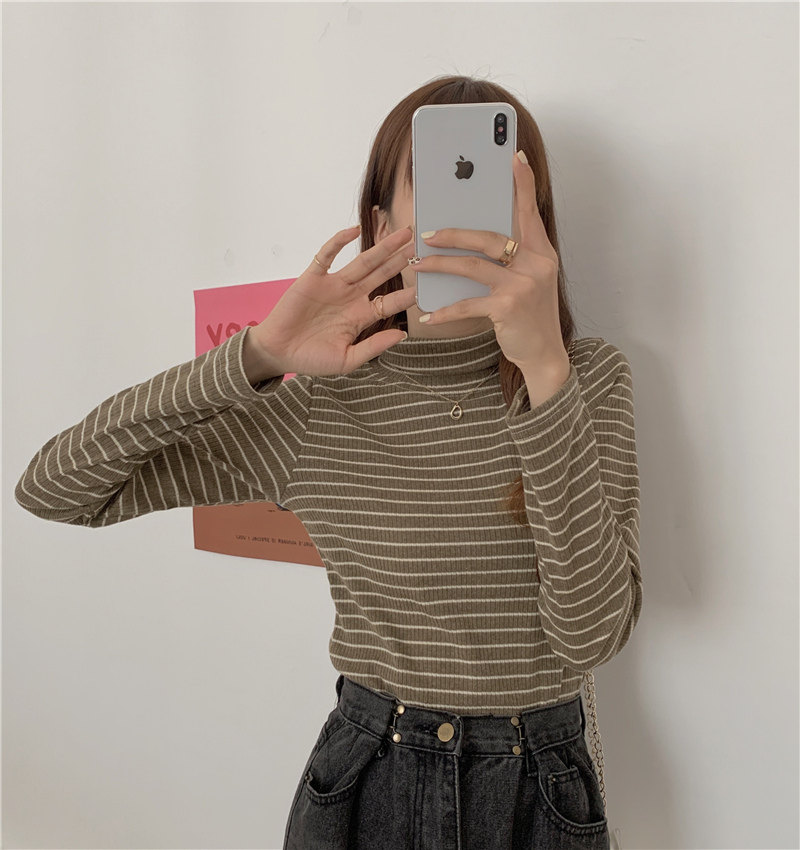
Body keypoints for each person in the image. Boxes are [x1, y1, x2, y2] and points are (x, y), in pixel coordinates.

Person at [15, 75, 641, 850]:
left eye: (509, 195)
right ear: (381, 225)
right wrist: (257, 354)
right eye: (445, 181)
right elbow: (57, 488)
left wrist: (544, 369)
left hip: (538, 785)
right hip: (370, 775)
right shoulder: (322, 405)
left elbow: (589, 639)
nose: (474, 216)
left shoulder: (586, 379)